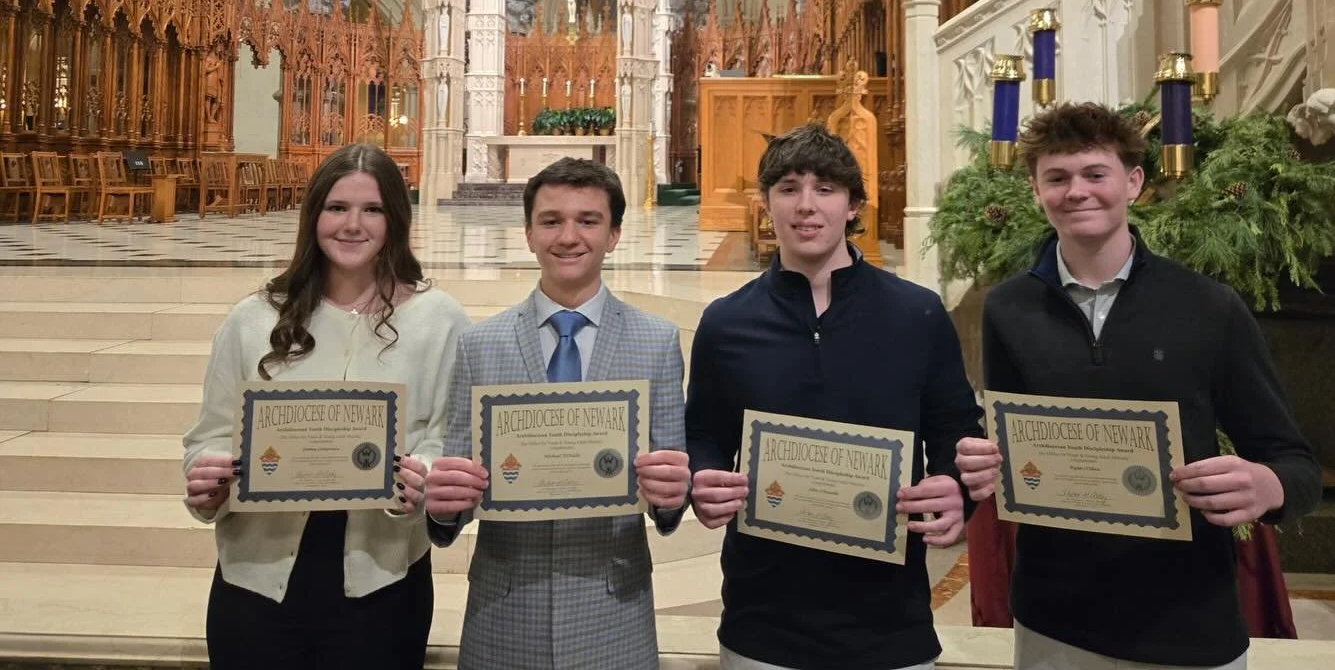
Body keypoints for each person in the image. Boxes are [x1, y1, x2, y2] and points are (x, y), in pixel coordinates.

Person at [955, 103, 1321, 670]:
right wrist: (983, 462)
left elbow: (1294, 463)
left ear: (1133, 182)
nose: (1077, 191)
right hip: (1056, 618)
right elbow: (1009, 447)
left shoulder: (1207, 306)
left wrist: (1267, 485)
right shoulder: (1008, 309)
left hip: (1187, 616)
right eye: (1057, 177)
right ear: (1035, 191)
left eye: (1094, 174)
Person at [686, 123, 984, 670]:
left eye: (825, 189)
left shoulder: (916, 314)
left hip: (889, 618)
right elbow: (704, 433)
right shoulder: (727, 323)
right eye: (788, 188)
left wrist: (954, 490)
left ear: (853, 205)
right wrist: (702, 479)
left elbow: (956, 430)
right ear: (764, 204)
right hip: (763, 619)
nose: (806, 205)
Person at [182, 144, 470, 670]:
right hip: (257, 578)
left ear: (396, 219)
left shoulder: (441, 320)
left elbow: (447, 434)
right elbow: (210, 434)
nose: (352, 225)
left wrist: (421, 475)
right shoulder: (252, 319)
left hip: (381, 579)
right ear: (313, 214)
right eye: (337, 207)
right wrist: (207, 478)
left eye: (373, 209)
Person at [424, 158, 690, 670]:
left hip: (613, 608)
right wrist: (442, 503)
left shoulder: (655, 341)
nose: (568, 236)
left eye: (588, 221)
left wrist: (671, 496)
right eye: (551, 221)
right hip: (506, 609)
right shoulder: (481, 345)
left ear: (614, 234)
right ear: (527, 233)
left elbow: (669, 493)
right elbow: (452, 489)